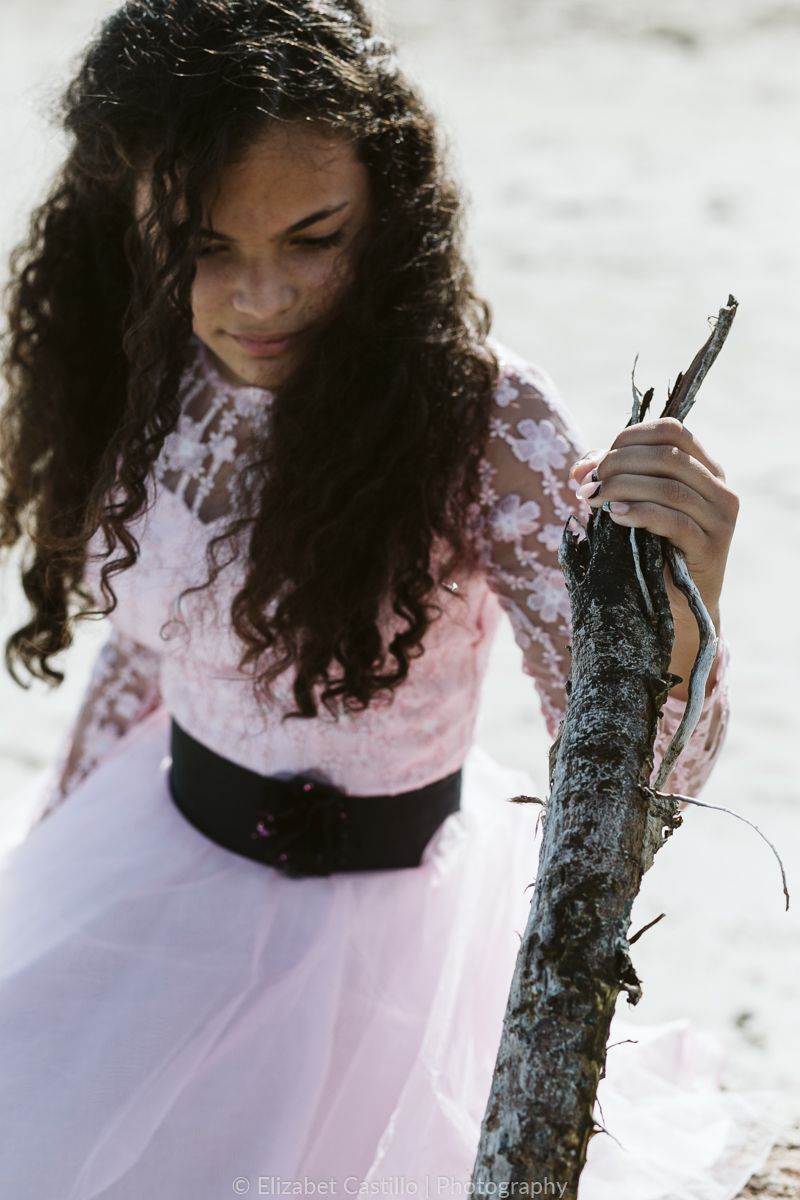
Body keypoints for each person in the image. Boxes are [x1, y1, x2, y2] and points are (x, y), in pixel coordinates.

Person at [0, 1, 782, 1196]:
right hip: (150, 862)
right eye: (203, 246)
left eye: (313, 236)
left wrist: (681, 595)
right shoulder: (136, 366)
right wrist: (53, 856)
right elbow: (152, 649)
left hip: (388, 954)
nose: (260, 297)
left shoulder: (480, 422)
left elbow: (636, 777)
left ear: (388, 208)